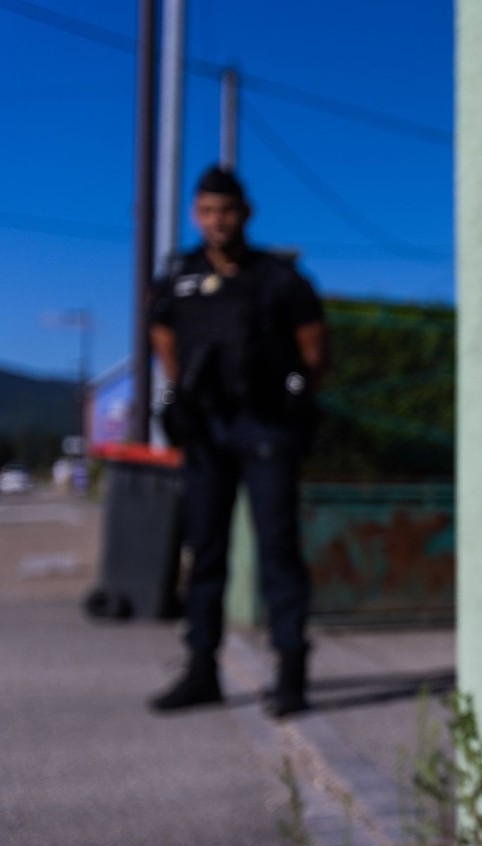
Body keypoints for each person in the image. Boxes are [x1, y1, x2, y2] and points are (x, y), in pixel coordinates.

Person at [148, 165, 328, 717]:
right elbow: (162, 331)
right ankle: (202, 669)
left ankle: (291, 673)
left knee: (277, 551)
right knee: (205, 551)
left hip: (266, 425)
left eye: (224, 210)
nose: (215, 221)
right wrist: (181, 389)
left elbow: (314, 347)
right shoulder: (179, 275)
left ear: (244, 214)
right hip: (207, 429)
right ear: (194, 215)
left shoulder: (277, 278)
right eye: (205, 211)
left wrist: (297, 394)